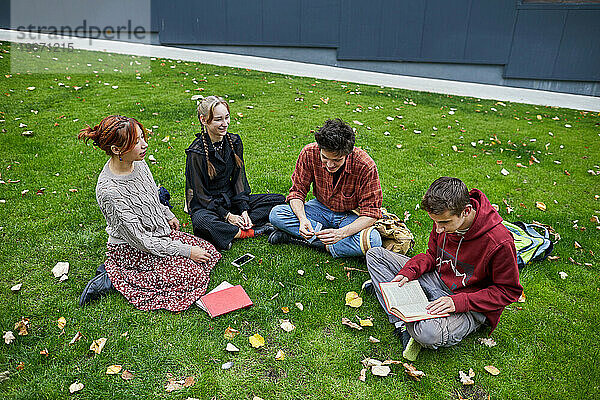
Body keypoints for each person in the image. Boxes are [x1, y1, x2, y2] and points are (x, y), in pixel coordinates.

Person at [365, 177, 523, 360]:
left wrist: (459, 302)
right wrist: (410, 271)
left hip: (469, 304)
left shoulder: (499, 242)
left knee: (428, 334)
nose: (438, 229)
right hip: (437, 279)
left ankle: (392, 300)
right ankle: (403, 323)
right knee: (375, 255)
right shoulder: (442, 218)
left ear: (466, 211)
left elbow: (508, 291)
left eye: (444, 223)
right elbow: (432, 256)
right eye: (436, 223)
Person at [78, 115, 221, 311]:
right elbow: (141, 240)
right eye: (136, 142)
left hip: (158, 233)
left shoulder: (138, 162)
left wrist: (166, 214)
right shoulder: (109, 191)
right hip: (133, 248)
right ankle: (113, 275)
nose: (144, 145)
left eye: (142, 137)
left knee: (209, 252)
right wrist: (186, 251)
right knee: (191, 274)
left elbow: (152, 195)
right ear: (116, 149)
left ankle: (118, 273)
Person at [269, 118, 383, 257]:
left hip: (349, 214)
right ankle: (327, 239)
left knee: (374, 240)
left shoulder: (365, 165)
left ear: (348, 153)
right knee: (276, 214)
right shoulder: (309, 153)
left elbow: (371, 214)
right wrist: (303, 219)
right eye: (325, 158)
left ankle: (308, 241)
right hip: (319, 208)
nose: (329, 165)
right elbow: (297, 193)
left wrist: (341, 233)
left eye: (336, 160)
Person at [185, 96, 285, 250]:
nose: (225, 124)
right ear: (204, 120)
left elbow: (239, 179)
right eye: (218, 119)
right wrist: (227, 216)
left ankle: (236, 226)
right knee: (201, 222)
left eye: (227, 117)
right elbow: (200, 194)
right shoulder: (196, 152)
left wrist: (244, 209)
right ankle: (249, 231)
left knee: (278, 200)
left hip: (231, 200)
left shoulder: (235, 141)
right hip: (209, 207)